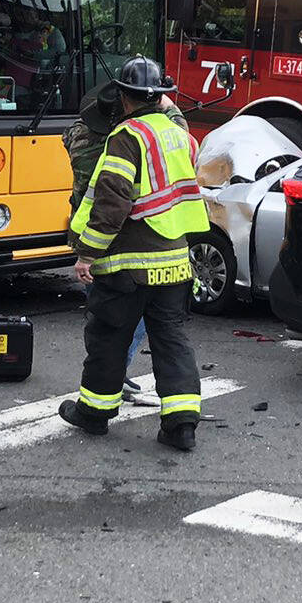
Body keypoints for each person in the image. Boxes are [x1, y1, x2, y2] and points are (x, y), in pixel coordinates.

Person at [58, 58, 209, 451]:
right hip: (175, 262)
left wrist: (86, 255)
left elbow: (112, 202)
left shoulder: (127, 136)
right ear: (160, 96)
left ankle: (94, 414)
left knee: (108, 338)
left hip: (128, 264)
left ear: (123, 97)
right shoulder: (175, 132)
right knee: (171, 340)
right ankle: (181, 426)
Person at [65, 79, 156, 406]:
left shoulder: (77, 137)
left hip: (83, 233)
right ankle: (113, 374)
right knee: (132, 315)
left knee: (101, 313)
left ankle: (102, 374)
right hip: (112, 238)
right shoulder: (119, 147)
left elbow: (78, 125)